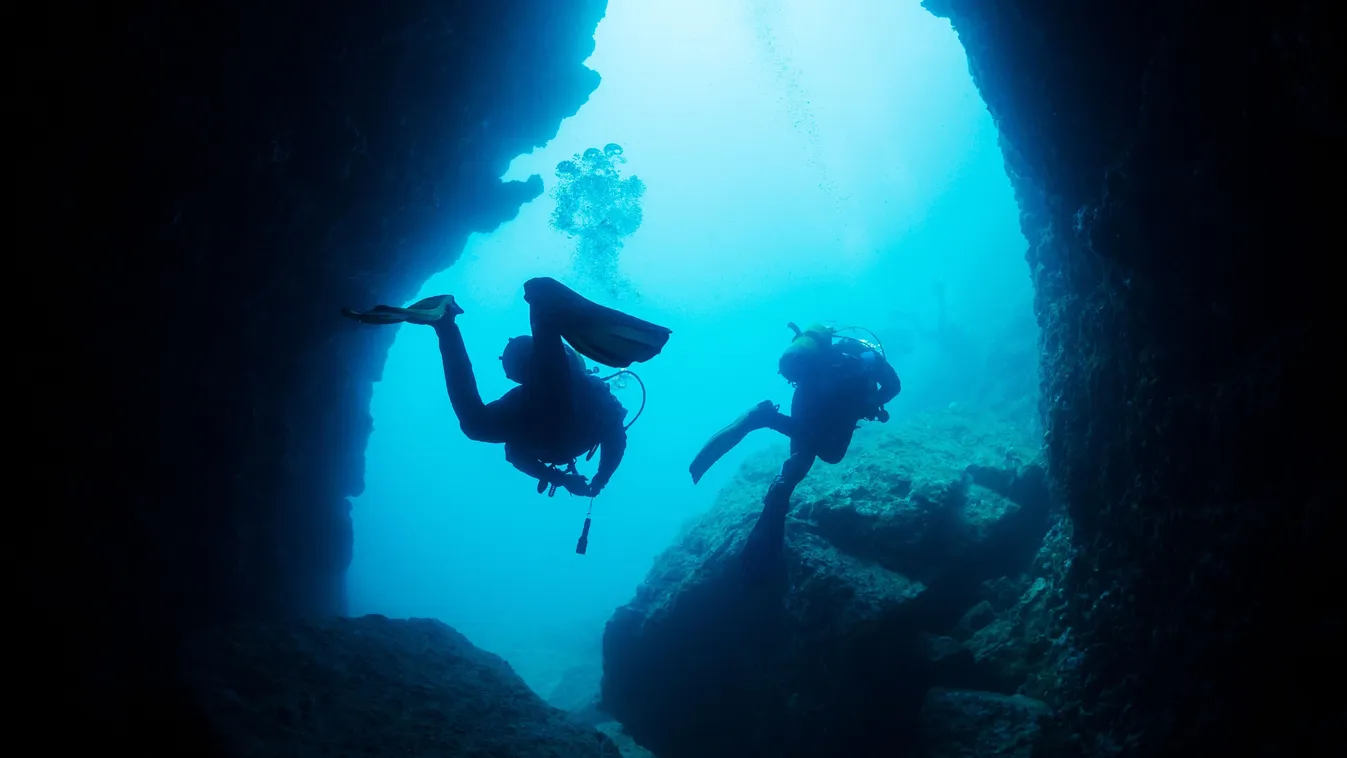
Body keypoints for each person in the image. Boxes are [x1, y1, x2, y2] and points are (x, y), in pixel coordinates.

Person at [342, 277, 672, 497]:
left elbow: (517, 455)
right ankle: (542, 310)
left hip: (541, 404)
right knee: (541, 395)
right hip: (557, 397)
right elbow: (615, 435)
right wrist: (599, 479)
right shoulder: (588, 393)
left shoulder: (544, 406)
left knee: (475, 425)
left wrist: (564, 479)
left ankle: (445, 324)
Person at [689, 322, 901, 570]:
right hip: (840, 408)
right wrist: (871, 404)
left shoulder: (819, 362)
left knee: (798, 463)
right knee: (831, 454)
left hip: (808, 397)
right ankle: (766, 419)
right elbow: (893, 386)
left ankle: (766, 422)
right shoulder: (862, 353)